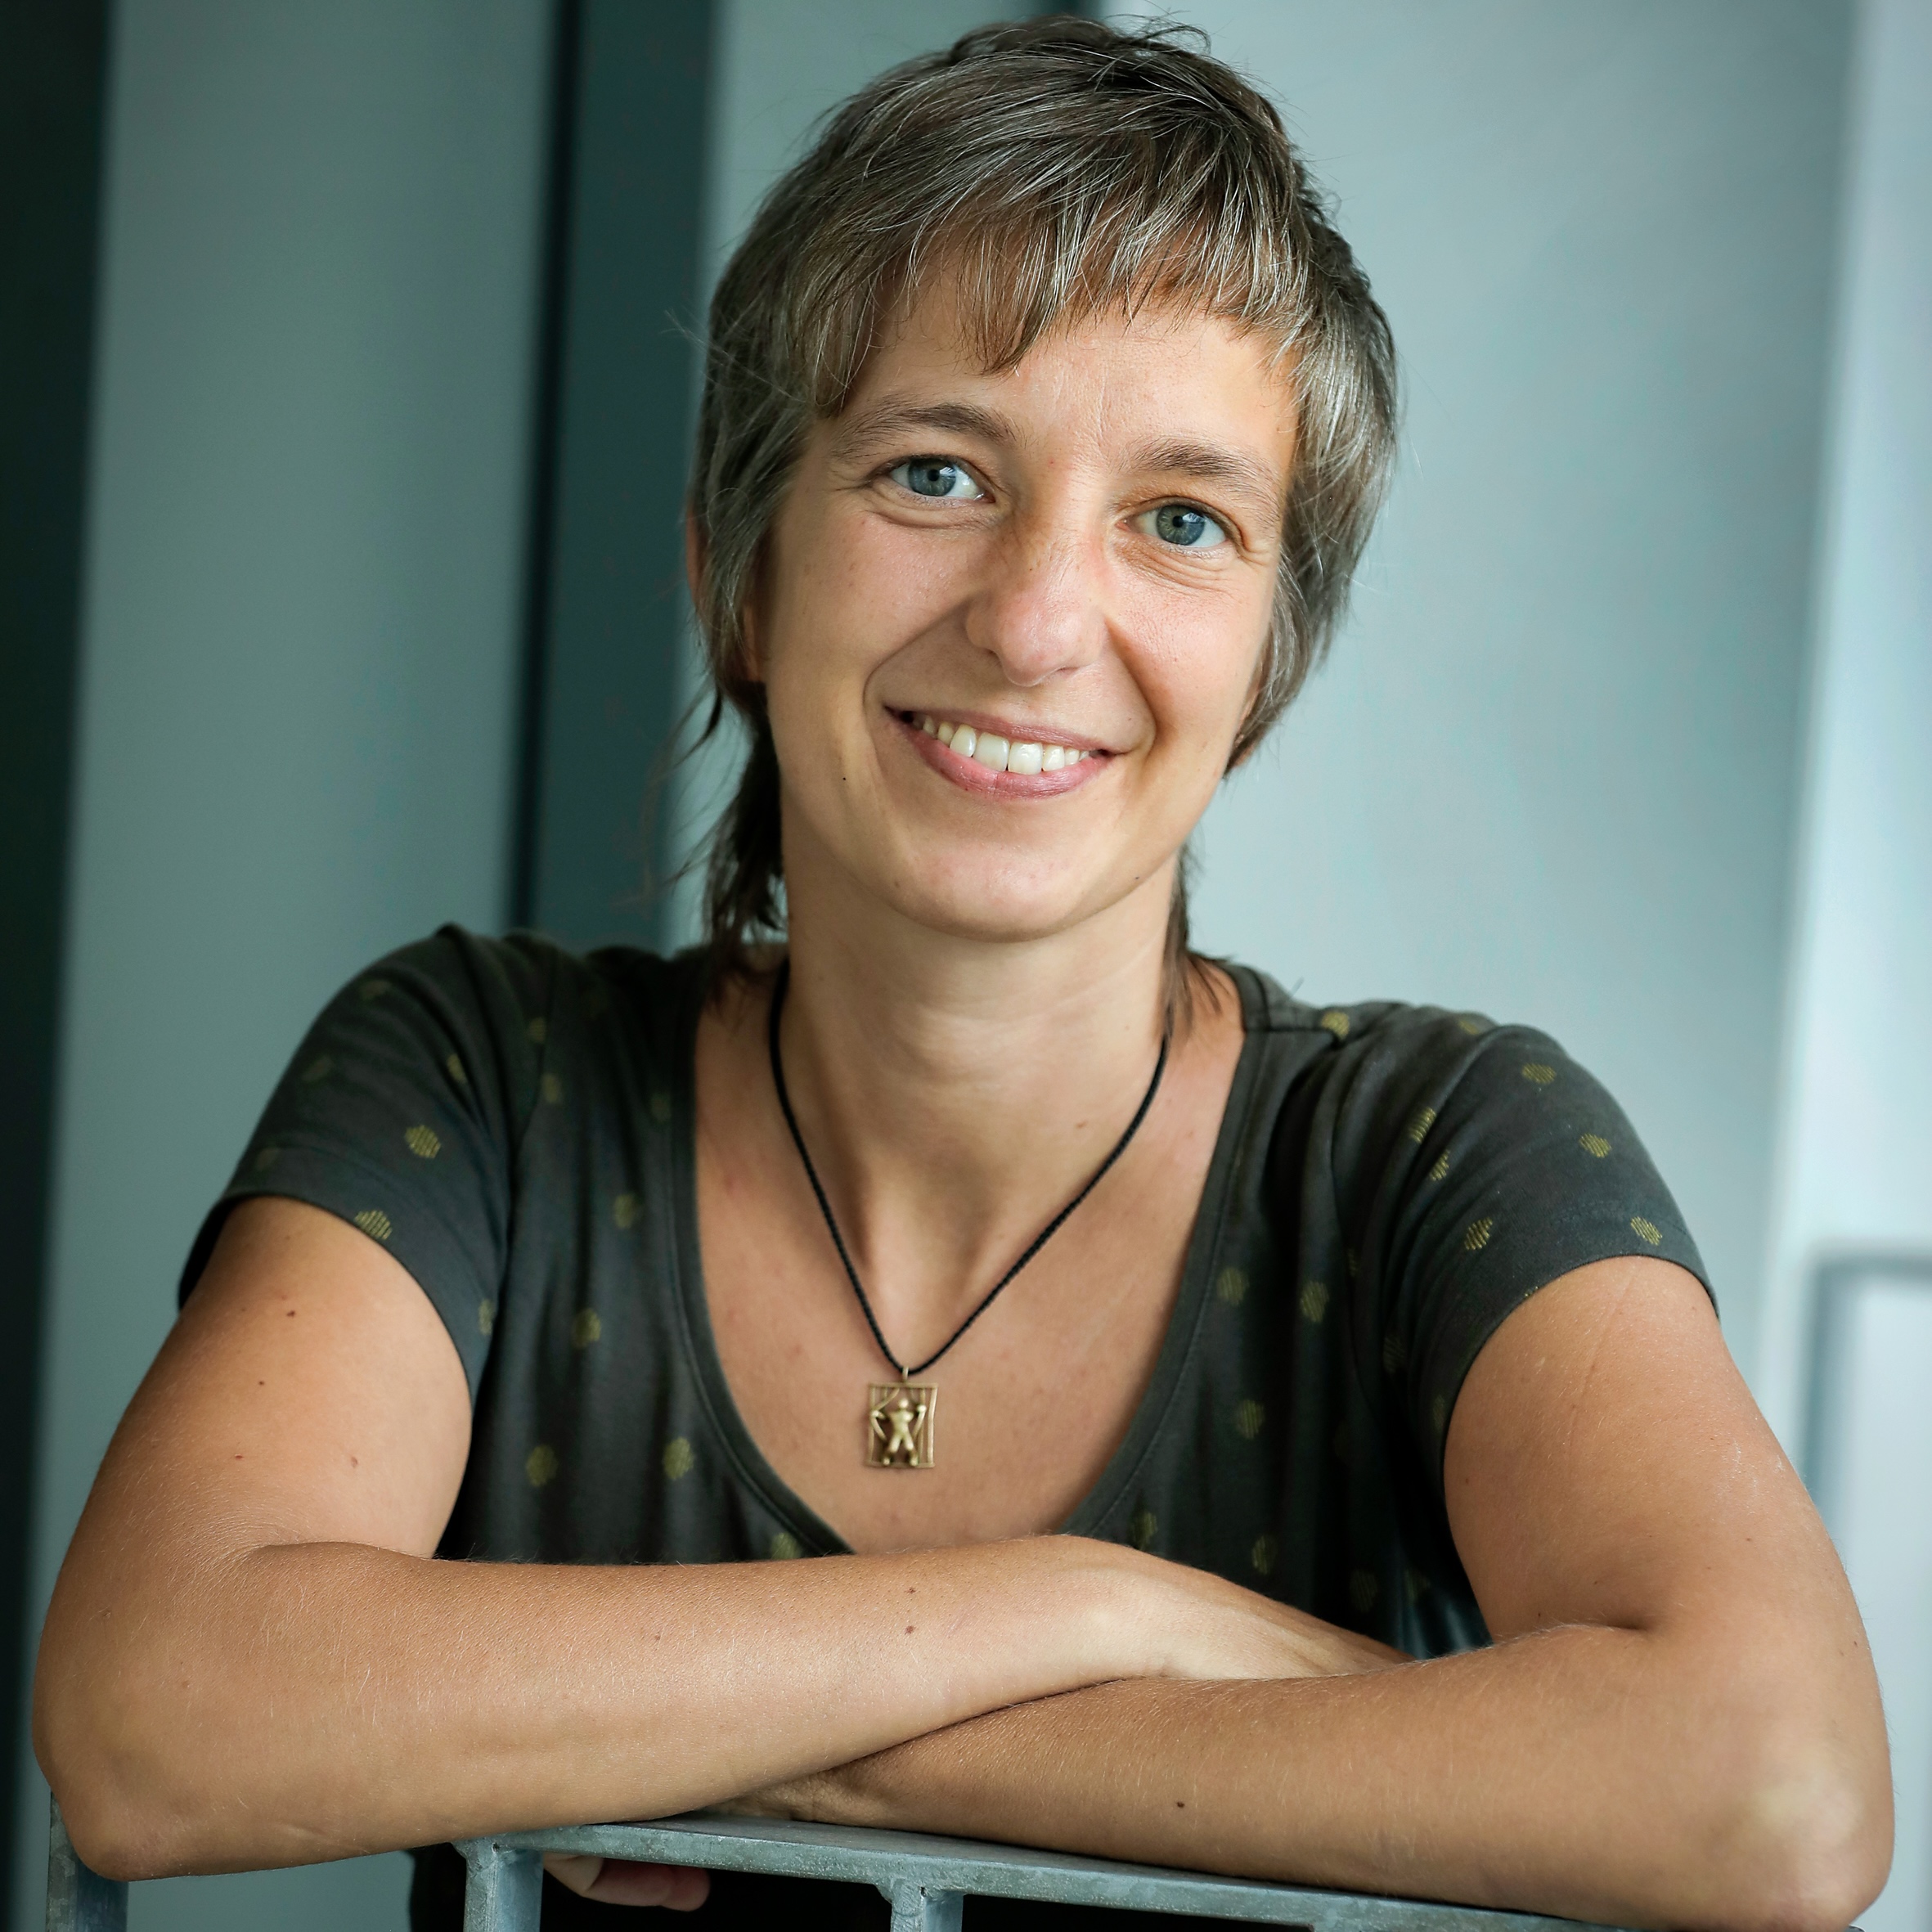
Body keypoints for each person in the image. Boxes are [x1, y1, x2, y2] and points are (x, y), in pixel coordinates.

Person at [34, 19, 1889, 1932]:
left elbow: (1773, 1788)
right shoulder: (484, 1079)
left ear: (1263, 656)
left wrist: (756, 1741)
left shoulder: (1436, 1150)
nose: (1032, 621)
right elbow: (155, 1715)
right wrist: (1100, 1614)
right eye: (932, 472)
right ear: (739, 573)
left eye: (1179, 520)